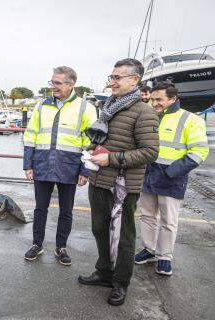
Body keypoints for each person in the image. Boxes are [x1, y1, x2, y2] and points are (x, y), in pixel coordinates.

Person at [78, 58, 159, 306]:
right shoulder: (109, 106)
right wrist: (92, 150)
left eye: (117, 77)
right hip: (99, 180)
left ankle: (120, 283)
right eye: (111, 77)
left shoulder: (144, 111)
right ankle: (104, 272)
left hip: (123, 185)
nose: (111, 81)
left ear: (135, 80)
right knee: (100, 230)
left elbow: (150, 152)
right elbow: (108, 139)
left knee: (123, 237)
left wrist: (110, 159)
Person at [23, 66, 97, 266]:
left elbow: (91, 142)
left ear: (71, 84)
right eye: (52, 82)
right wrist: (27, 164)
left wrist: (85, 170)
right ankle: (37, 244)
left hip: (69, 166)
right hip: (42, 165)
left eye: (57, 83)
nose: (53, 86)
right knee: (40, 208)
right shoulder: (41, 106)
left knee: (66, 210)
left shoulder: (86, 108)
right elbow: (30, 135)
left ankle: (60, 247)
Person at [135, 82, 209, 275]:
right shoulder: (149, 115)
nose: (154, 102)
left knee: (168, 221)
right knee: (147, 216)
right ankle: (149, 250)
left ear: (173, 98)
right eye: (152, 99)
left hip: (172, 176)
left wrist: (171, 172)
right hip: (148, 173)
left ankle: (164, 257)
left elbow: (200, 151)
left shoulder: (190, 119)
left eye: (159, 99)